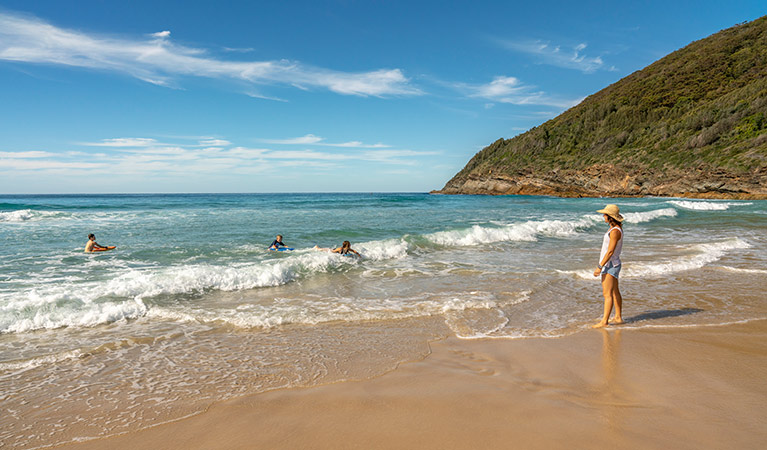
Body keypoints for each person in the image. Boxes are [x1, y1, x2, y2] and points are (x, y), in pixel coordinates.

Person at [592, 204, 625, 328]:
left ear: (610, 216)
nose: (603, 216)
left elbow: (610, 251)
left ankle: (604, 321)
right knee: (615, 292)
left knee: (607, 294)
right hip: (613, 263)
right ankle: (618, 317)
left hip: (610, 264)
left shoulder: (615, 231)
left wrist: (599, 267)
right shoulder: (614, 229)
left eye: (605, 214)